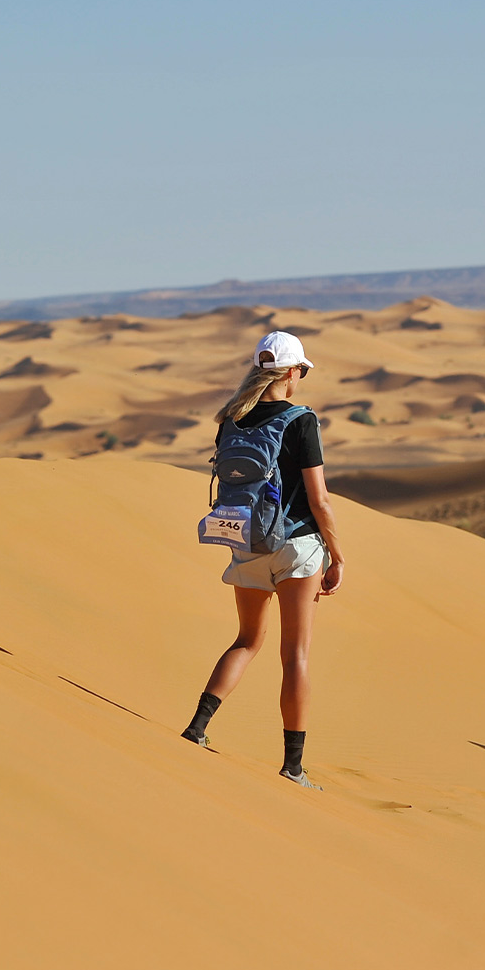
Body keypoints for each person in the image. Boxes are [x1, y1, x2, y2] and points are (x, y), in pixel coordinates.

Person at [180, 332, 345, 789]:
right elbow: (320, 498)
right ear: (291, 372)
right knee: (295, 655)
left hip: (246, 541)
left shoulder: (232, 417)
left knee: (246, 641)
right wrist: (337, 555)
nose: (302, 378)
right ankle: (293, 767)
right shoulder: (300, 420)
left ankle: (196, 728)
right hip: (296, 547)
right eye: (303, 371)